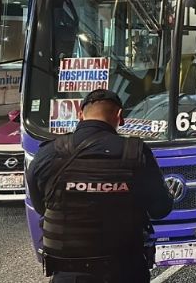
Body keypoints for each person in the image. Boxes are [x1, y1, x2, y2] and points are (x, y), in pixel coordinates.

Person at [26, 89, 173, 283]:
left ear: (80, 114)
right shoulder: (135, 153)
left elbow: (41, 207)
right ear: (119, 116)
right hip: (124, 272)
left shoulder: (48, 153)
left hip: (68, 275)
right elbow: (160, 209)